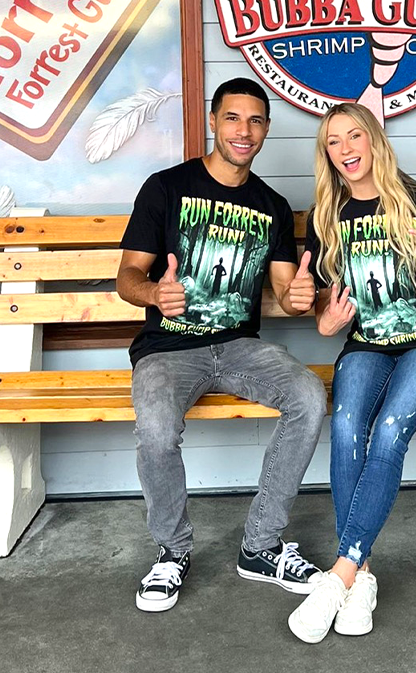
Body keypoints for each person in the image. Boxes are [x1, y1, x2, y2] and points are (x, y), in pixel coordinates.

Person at [117, 77, 328, 613]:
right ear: (212, 122)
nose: (244, 130)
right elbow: (127, 278)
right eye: (233, 118)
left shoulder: (273, 205)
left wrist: (301, 295)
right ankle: (172, 551)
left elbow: (285, 289)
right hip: (168, 348)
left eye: (256, 120)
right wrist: (154, 293)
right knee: (157, 429)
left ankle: (261, 546)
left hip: (239, 347)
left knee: (307, 396)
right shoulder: (165, 188)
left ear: (266, 131)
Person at [288, 102, 416, 643]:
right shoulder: (326, 216)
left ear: (374, 140)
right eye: (333, 142)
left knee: (389, 430)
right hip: (366, 343)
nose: (345, 150)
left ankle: (340, 574)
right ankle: (362, 577)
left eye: (354, 137)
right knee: (346, 426)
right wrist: (325, 323)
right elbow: (328, 305)